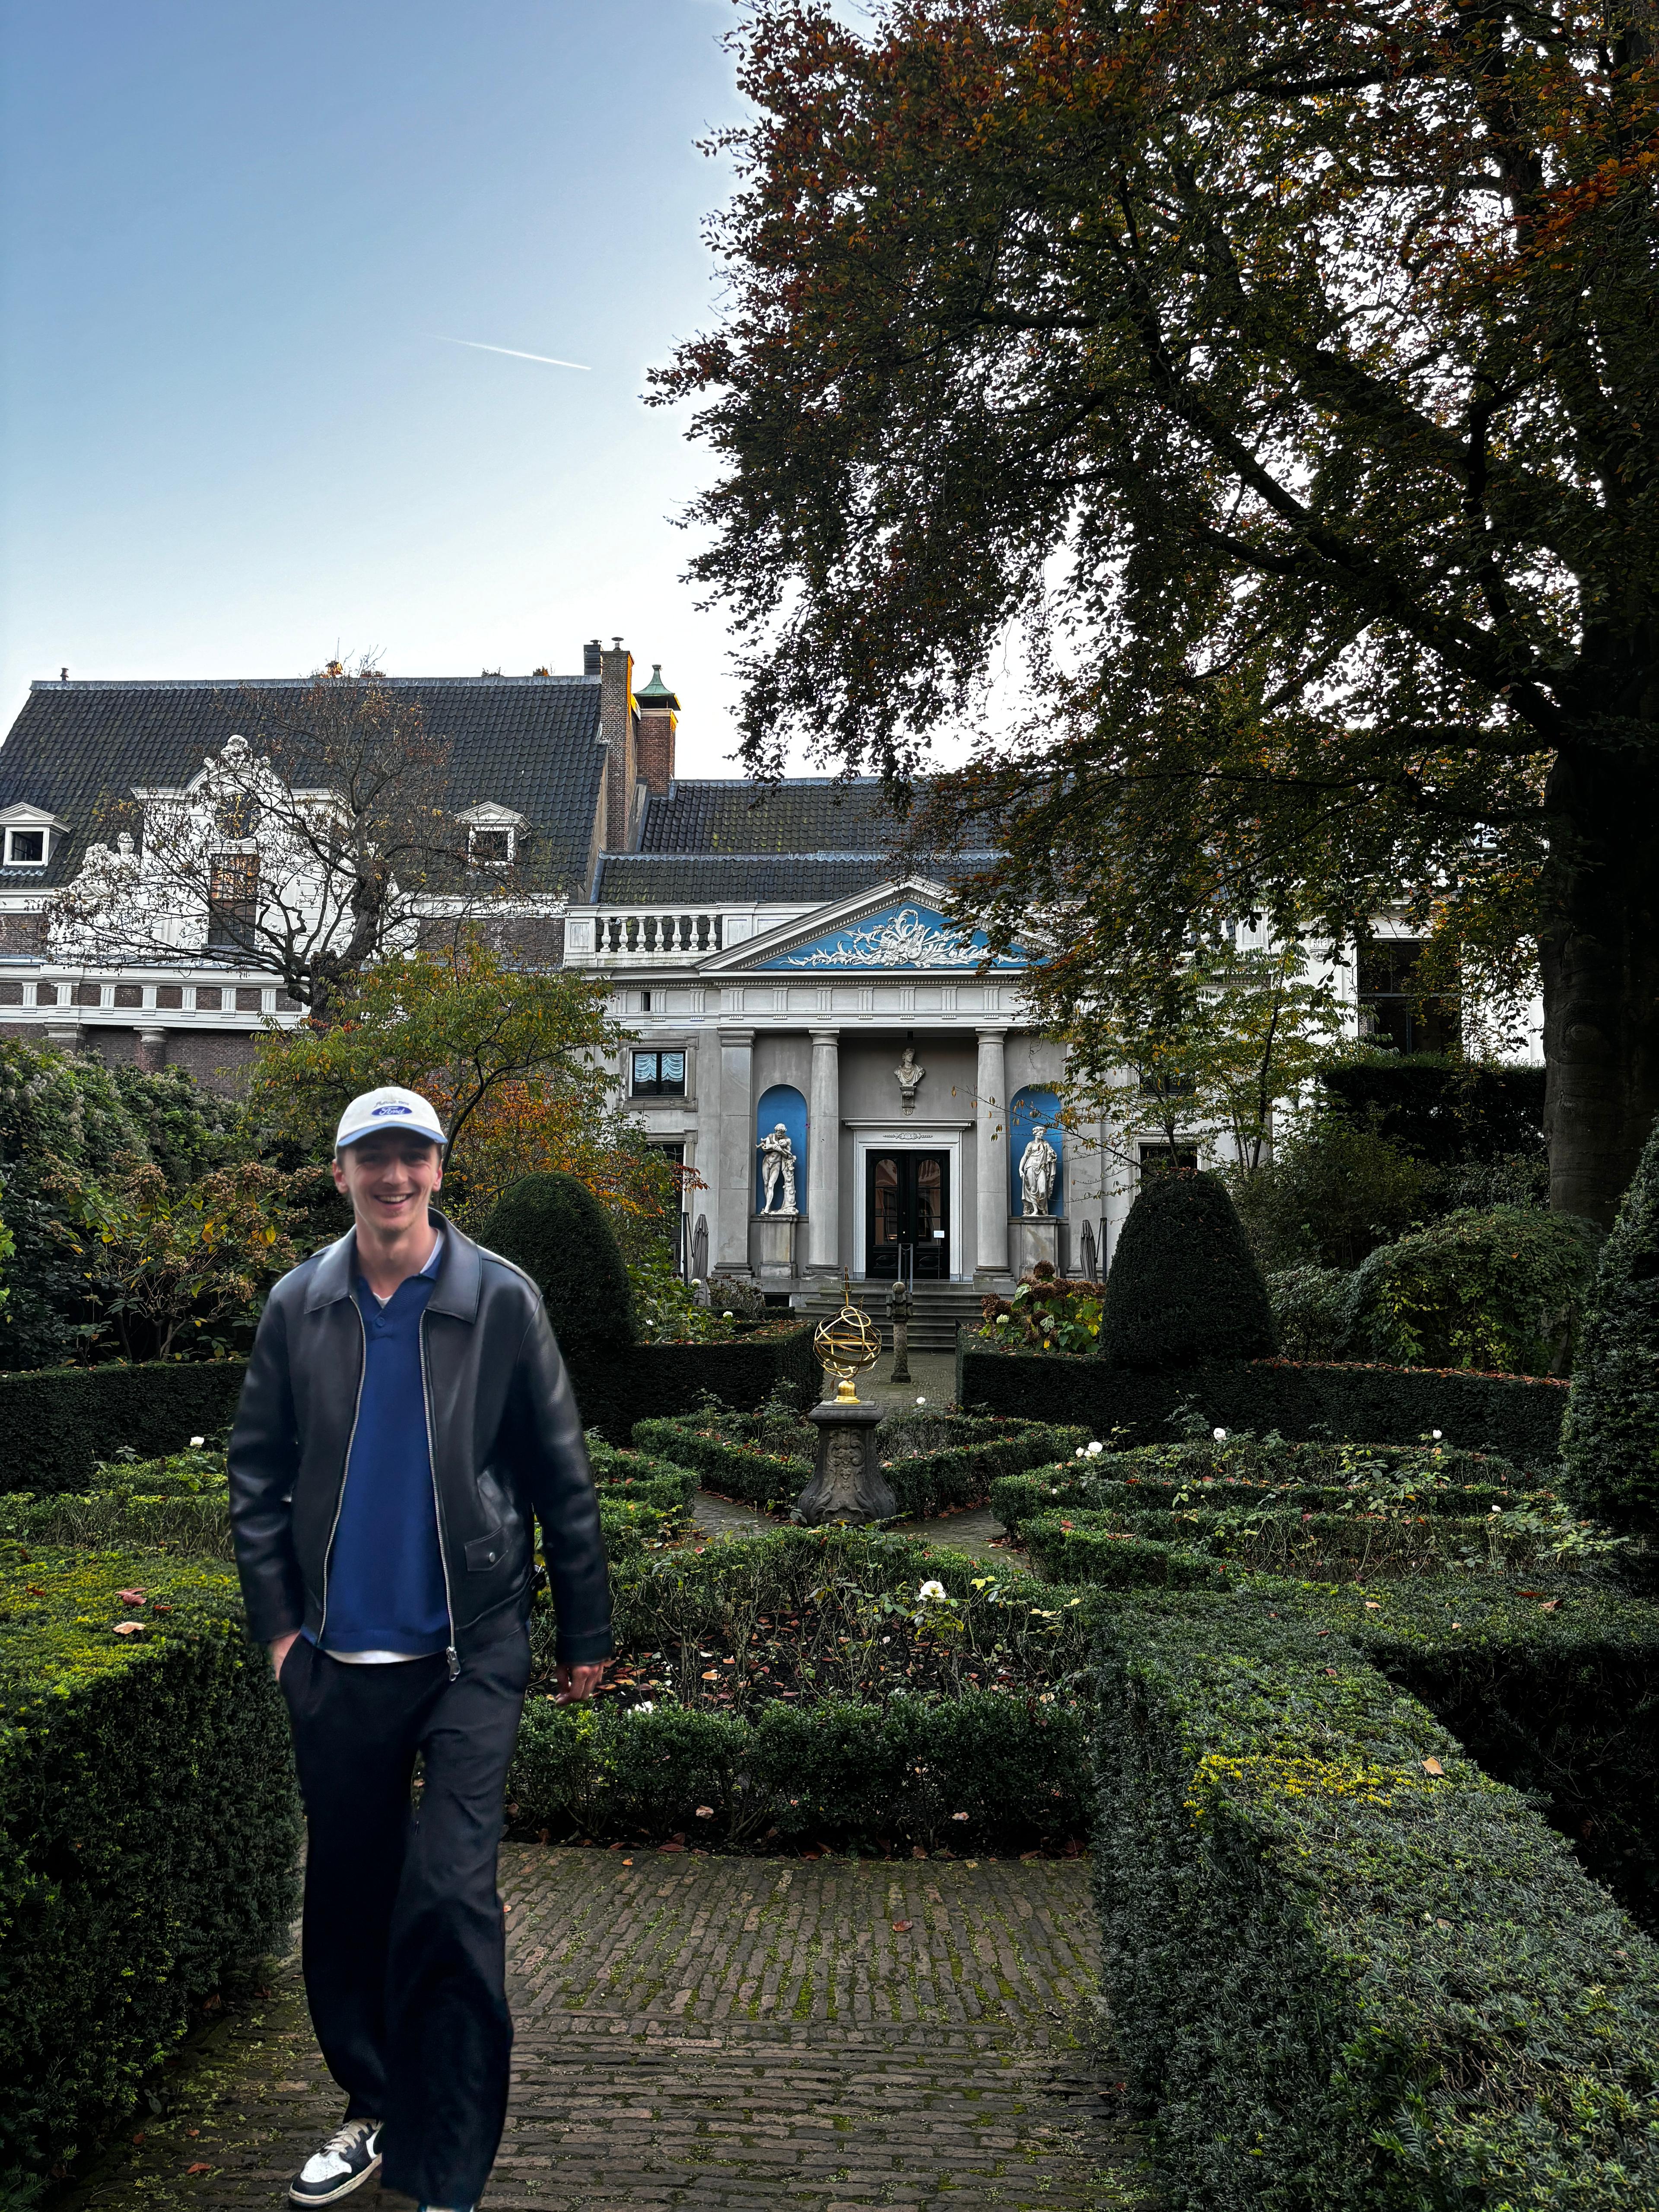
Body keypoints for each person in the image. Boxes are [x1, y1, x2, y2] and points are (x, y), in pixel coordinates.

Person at [229, 1085, 611, 2212]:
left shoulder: (501, 1300)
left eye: (413, 1159)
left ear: (440, 1171)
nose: (393, 1179)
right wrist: (283, 1636)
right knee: (346, 1902)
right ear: (342, 1172)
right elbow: (256, 1476)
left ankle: (446, 2161)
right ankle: (374, 2107)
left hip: (471, 1650)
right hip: (338, 1663)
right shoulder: (300, 1305)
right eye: (372, 1160)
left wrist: (584, 1624)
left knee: (447, 1892)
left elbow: (560, 1474)